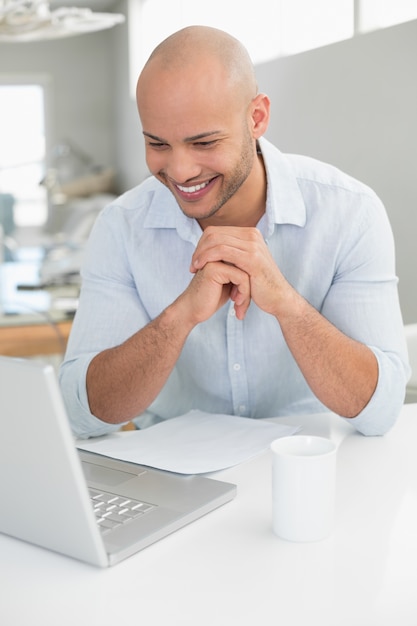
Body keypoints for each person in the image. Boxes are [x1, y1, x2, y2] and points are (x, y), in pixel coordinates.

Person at [59, 25, 410, 439]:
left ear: (257, 117)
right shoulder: (121, 227)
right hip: (176, 480)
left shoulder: (349, 212)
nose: (180, 170)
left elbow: (381, 412)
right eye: (157, 144)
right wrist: (180, 316)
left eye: (204, 143)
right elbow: (83, 416)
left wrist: (286, 304)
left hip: (313, 471)